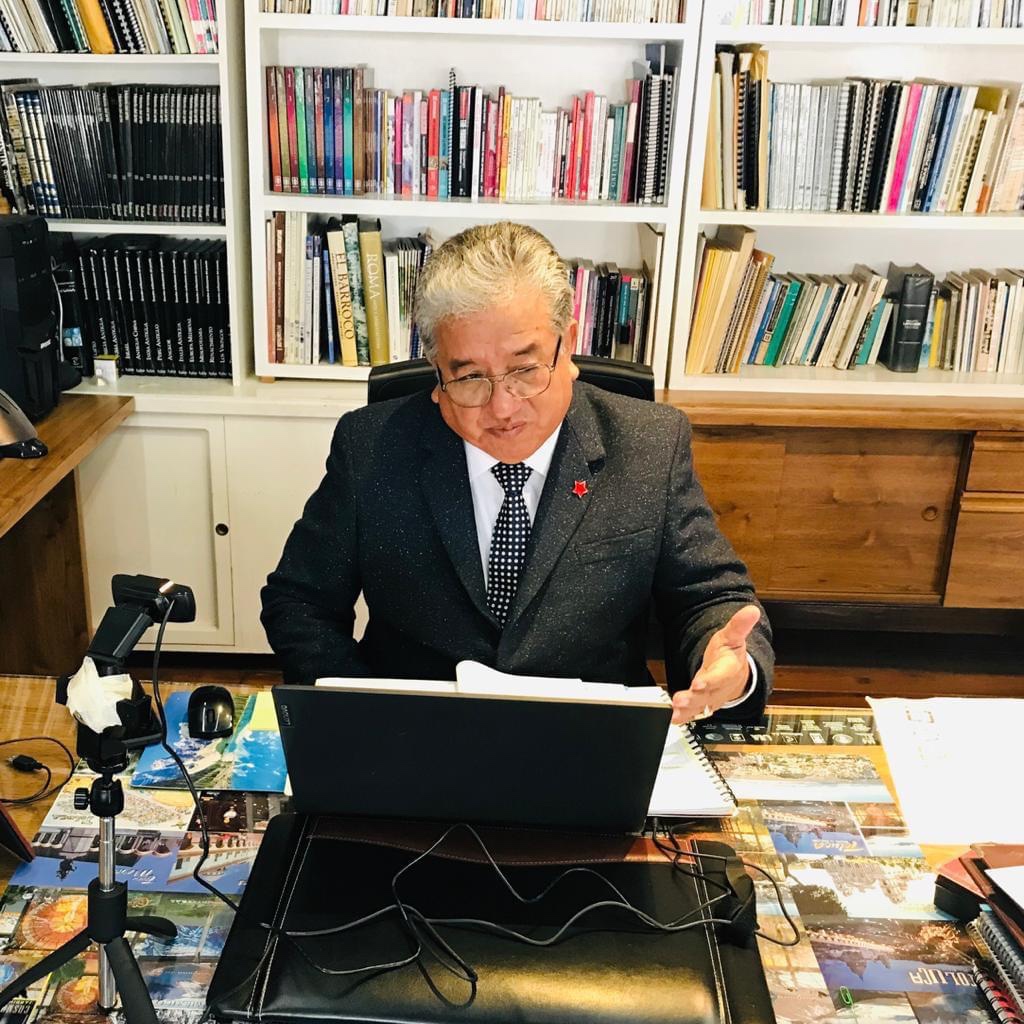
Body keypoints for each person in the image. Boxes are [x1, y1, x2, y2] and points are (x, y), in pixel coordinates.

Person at [261, 222, 773, 724]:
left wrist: (730, 665)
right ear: (437, 371)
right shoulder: (371, 447)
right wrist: (359, 711)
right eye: (469, 376)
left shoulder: (648, 444)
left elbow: (710, 597)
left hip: (590, 733)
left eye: (526, 370)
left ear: (568, 345)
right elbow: (299, 601)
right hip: (417, 730)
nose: (502, 408)